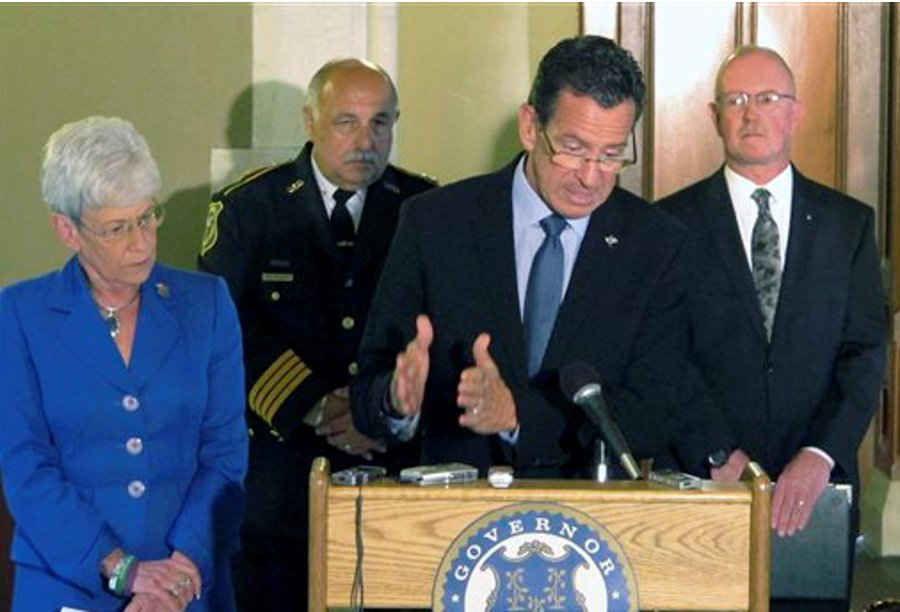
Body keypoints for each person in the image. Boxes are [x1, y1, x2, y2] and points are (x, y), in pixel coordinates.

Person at [351, 35, 689, 480]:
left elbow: (655, 411)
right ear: (530, 126)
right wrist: (395, 401)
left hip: (593, 522)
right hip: (452, 521)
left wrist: (518, 416)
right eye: (572, 149)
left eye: (611, 155)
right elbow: (367, 388)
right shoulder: (435, 223)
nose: (590, 177)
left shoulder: (656, 243)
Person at [198, 58, 435, 608]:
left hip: (392, 470)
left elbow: (440, 325)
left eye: (380, 123)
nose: (365, 141)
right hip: (282, 471)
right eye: (345, 122)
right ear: (310, 121)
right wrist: (319, 406)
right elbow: (227, 332)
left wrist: (377, 410)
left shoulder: (425, 208)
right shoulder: (248, 209)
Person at [658, 46, 886, 610]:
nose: (750, 113)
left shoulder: (848, 225)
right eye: (734, 100)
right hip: (708, 483)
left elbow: (864, 353)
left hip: (816, 492)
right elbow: (661, 353)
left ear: (795, 112)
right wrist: (715, 452)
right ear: (714, 117)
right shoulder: (669, 225)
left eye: (766, 98)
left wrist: (821, 453)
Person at [0, 117, 248, 611]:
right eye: (116, 228)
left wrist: (180, 572)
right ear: (67, 230)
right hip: (68, 585)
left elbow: (224, 453)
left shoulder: (206, 304)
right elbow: (25, 467)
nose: (140, 242)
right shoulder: (20, 316)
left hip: (187, 586)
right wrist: (123, 569)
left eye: (146, 217)